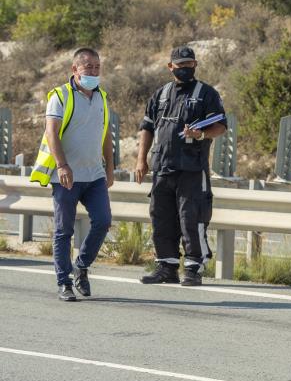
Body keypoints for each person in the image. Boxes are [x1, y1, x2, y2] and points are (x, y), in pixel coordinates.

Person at [135, 46, 227, 286]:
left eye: (189, 65)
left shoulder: (206, 93)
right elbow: (147, 128)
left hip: (192, 169)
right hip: (162, 168)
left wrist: (200, 134)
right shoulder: (161, 94)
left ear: (195, 65)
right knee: (161, 217)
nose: (185, 69)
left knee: (192, 218)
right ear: (170, 67)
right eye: (180, 65)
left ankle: (194, 268)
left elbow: (220, 126)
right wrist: (141, 160)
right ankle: (166, 266)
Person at [29, 48, 114, 301]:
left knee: (103, 221)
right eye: (89, 67)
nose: (94, 72)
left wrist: (110, 167)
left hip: (95, 175)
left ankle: (82, 266)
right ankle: (63, 281)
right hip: (66, 176)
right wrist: (62, 165)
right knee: (64, 231)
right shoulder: (60, 96)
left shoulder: (102, 97)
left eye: (97, 67)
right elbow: (51, 133)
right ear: (74, 70)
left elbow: (106, 135)